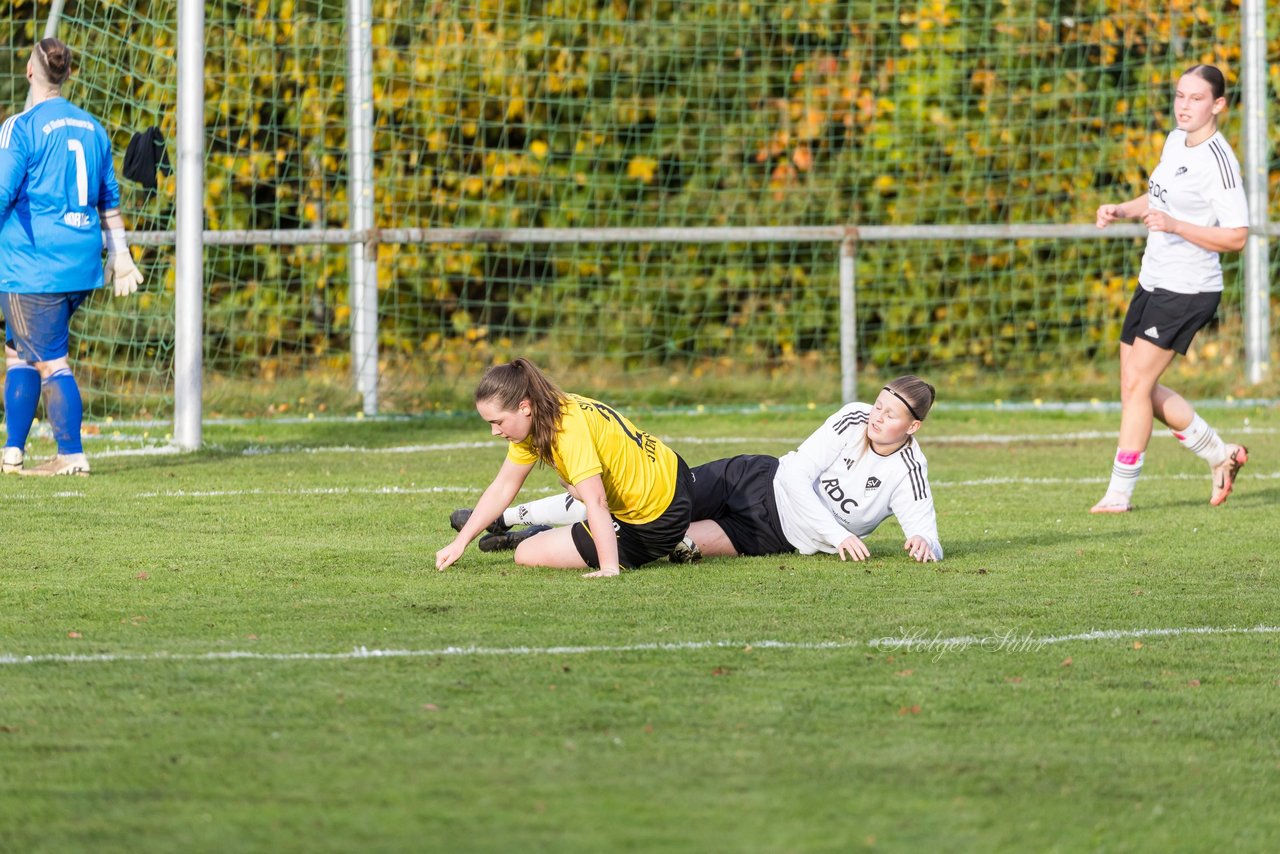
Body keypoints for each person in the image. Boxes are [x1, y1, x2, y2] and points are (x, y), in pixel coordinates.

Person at [452, 375, 943, 564]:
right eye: (878, 405)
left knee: (676, 542)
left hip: (773, 536)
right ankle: (509, 519)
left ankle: (523, 538)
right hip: (753, 480)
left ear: (913, 427)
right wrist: (837, 536)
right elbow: (794, 474)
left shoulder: (909, 471)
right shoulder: (852, 416)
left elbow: (928, 534)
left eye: (890, 414)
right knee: (640, 496)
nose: (876, 417)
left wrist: (923, 542)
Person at [1090, 64, 1249, 513]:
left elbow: (1237, 236)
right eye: (1180, 95)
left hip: (1188, 288)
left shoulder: (1220, 161)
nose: (1184, 105)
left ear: (1217, 105)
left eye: (1196, 98)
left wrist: (1178, 225)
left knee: (1138, 384)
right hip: (1154, 278)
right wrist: (1121, 209)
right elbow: (1157, 197)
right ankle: (1220, 454)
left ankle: (1119, 494)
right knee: (1134, 386)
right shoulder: (1175, 139)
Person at [0, 38, 144, 477]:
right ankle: (12, 452)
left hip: (33, 268)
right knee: (19, 352)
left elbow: (2, 194)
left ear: (30, 71)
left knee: (49, 360)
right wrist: (121, 254)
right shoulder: (92, 127)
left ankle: (71, 452)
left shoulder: (19, 128)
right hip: (81, 266)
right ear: (66, 74)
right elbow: (110, 199)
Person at [434, 358, 695, 578]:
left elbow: (597, 500)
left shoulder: (566, 430)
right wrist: (459, 544)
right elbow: (503, 486)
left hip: (655, 517)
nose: (494, 431)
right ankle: (557, 532)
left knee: (527, 552)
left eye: (498, 421)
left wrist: (608, 568)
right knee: (572, 484)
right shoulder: (547, 413)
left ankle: (668, 539)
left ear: (524, 407)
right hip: (672, 471)